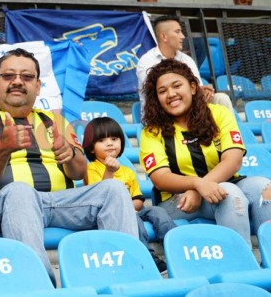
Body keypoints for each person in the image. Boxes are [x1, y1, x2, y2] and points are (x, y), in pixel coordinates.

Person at [0, 48, 139, 285]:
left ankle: (128, 278)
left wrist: (70, 155)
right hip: (8, 204)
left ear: (38, 86)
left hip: (59, 203)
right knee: (19, 190)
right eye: (8, 76)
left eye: (26, 77)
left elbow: (79, 173)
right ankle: (41, 285)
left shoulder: (54, 121)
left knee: (113, 190)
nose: (17, 82)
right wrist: (2, 149)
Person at [139, 59, 271, 248]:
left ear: (193, 87)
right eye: (162, 91)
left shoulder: (219, 114)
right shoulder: (152, 131)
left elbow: (233, 160)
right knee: (229, 194)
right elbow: (160, 178)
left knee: (265, 187)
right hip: (179, 200)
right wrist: (196, 184)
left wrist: (201, 187)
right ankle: (241, 264)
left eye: (177, 86)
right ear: (157, 98)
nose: (171, 94)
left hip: (221, 184)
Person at [82, 117, 175, 273]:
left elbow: (138, 199)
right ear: (91, 148)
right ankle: (146, 256)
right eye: (102, 140)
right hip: (110, 214)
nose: (110, 143)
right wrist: (109, 172)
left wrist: (130, 207)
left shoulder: (127, 171)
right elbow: (100, 197)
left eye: (114, 139)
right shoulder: (91, 169)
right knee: (132, 218)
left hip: (135, 209)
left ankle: (175, 248)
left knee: (158, 211)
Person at [137, 15, 233, 112]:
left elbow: (196, 87)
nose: (182, 36)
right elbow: (156, 94)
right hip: (159, 110)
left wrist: (204, 91)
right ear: (164, 36)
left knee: (221, 98)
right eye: (177, 32)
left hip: (185, 104)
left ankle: (230, 128)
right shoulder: (146, 60)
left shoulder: (187, 59)